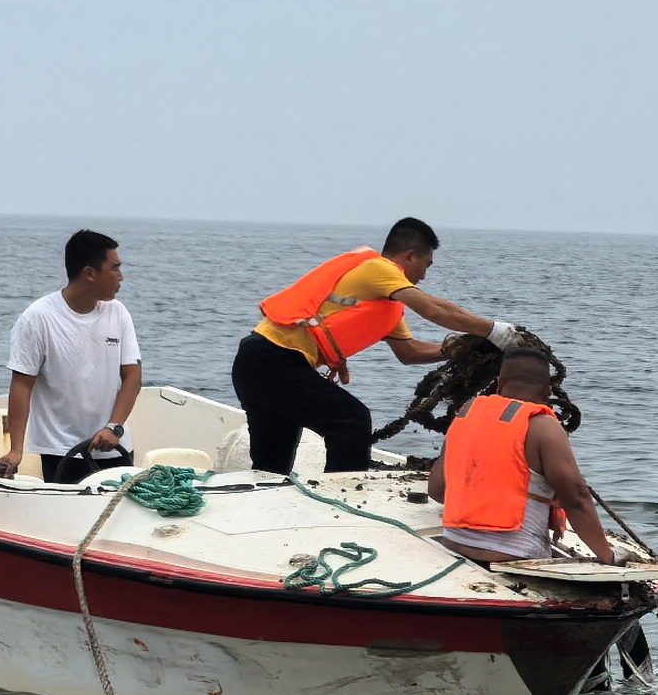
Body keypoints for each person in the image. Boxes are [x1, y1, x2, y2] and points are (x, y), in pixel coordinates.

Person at [233, 217, 541, 476]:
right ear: (409, 256)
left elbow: (409, 353)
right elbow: (434, 309)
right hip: (271, 359)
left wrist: (463, 350)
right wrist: (493, 331)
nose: (425, 274)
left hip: (261, 365)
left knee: (272, 467)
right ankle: (343, 499)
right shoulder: (379, 269)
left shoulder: (385, 303)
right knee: (351, 420)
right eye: (426, 264)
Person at [427, 346, 614, 566]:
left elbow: (437, 492)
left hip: (455, 544)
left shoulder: (465, 415)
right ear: (548, 393)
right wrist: (608, 556)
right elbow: (577, 500)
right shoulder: (545, 427)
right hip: (516, 555)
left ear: (499, 384)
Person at [0, 229, 141, 483]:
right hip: (61, 452)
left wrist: (113, 427)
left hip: (115, 445)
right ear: (90, 273)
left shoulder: (118, 313)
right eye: (115, 268)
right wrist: (16, 450)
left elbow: (132, 376)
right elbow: (21, 384)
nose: (121, 277)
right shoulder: (38, 318)